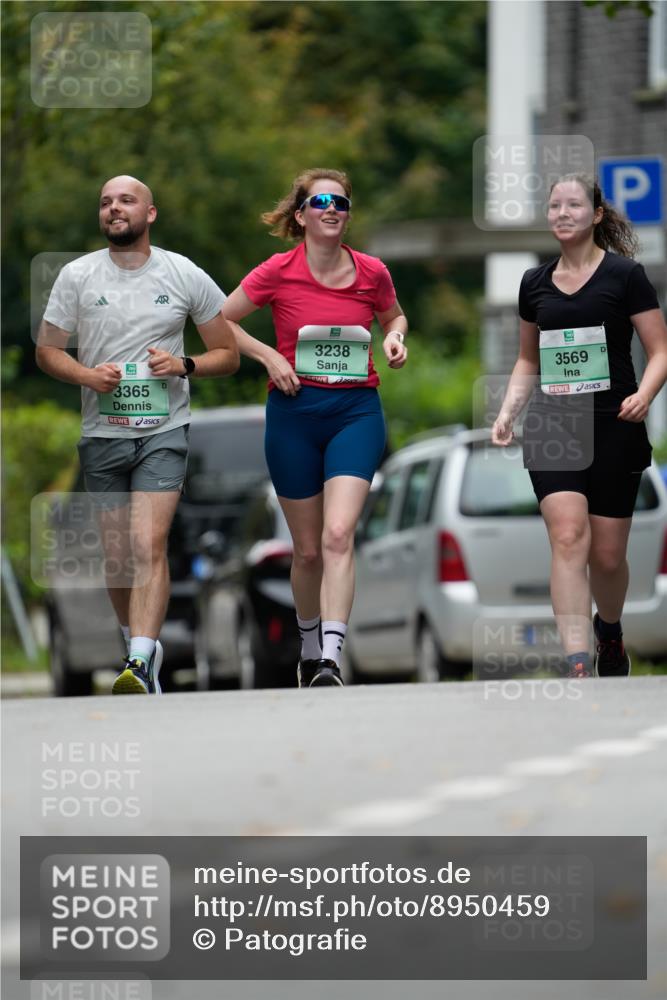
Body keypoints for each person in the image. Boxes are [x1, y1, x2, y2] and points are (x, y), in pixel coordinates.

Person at [36, 175, 239, 695]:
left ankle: (142, 662)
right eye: (105, 202)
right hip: (102, 431)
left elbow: (228, 354)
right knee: (118, 554)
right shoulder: (77, 275)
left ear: (150, 213)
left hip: (163, 429)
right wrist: (85, 376)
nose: (113, 209)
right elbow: (48, 350)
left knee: (149, 542)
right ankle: (136, 645)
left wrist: (183, 363)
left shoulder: (182, 272)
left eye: (126, 200)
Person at [222, 168, 408, 687]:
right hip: (294, 415)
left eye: (342, 203)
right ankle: (307, 645)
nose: (332, 209)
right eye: (321, 201)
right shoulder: (277, 271)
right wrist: (267, 358)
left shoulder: (372, 272)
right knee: (305, 551)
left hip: (355, 413)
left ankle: (330, 656)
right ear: (301, 215)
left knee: (338, 533)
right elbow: (221, 320)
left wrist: (395, 339)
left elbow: (394, 317)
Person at [492, 174, 667, 678]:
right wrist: (508, 411)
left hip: (615, 423)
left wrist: (645, 395)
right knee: (568, 537)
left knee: (608, 557)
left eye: (573, 205)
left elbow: (659, 352)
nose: (562, 213)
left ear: (595, 215)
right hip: (554, 425)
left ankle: (607, 634)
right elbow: (528, 361)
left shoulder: (625, 275)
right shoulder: (534, 283)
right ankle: (575, 661)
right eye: (554, 206)